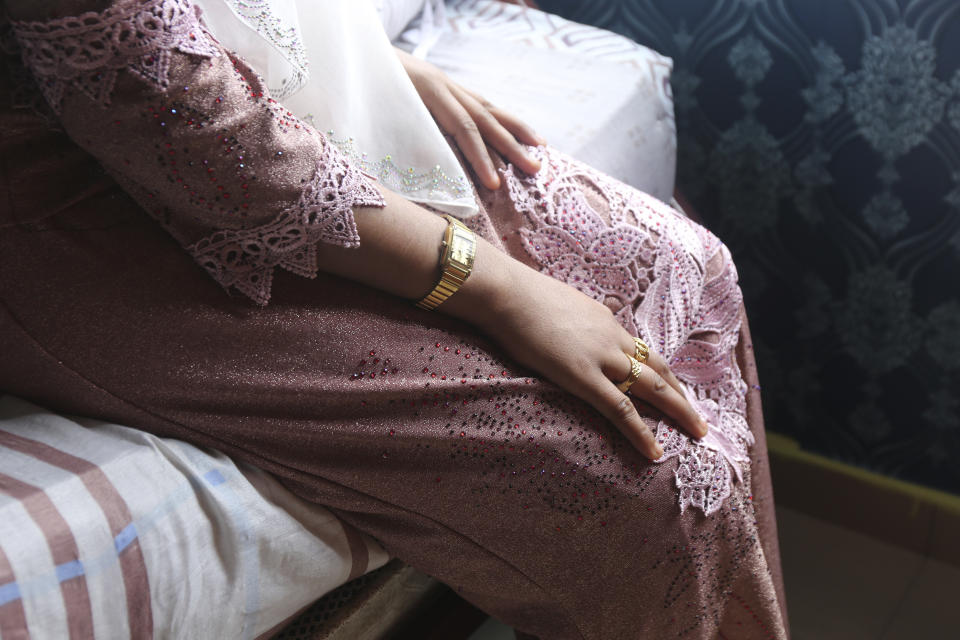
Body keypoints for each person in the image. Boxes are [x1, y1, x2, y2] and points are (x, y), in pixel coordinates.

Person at [0, 0, 789, 638]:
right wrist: (501, 290)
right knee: (643, 483)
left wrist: (379, 67)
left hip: (248, 95)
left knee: (689, 269)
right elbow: (187, 126)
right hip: (86, 213)